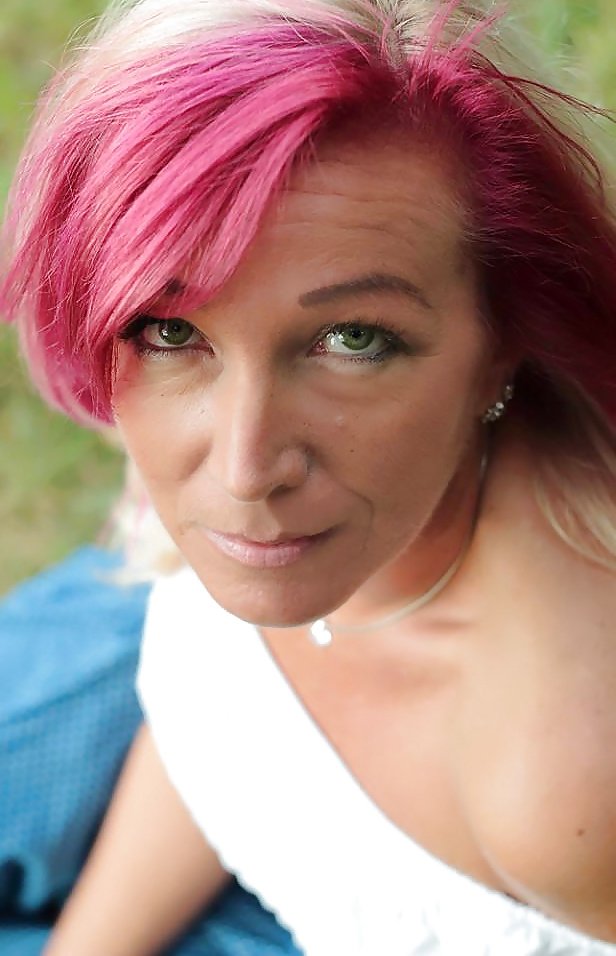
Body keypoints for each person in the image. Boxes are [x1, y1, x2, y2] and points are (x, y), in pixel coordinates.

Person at [1, 0, 615, 952]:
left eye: (354, 339)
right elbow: (228, 725)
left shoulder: (565, 779)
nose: (244, 470)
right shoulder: (288, 504)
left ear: (504, 341)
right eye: (172, 330)